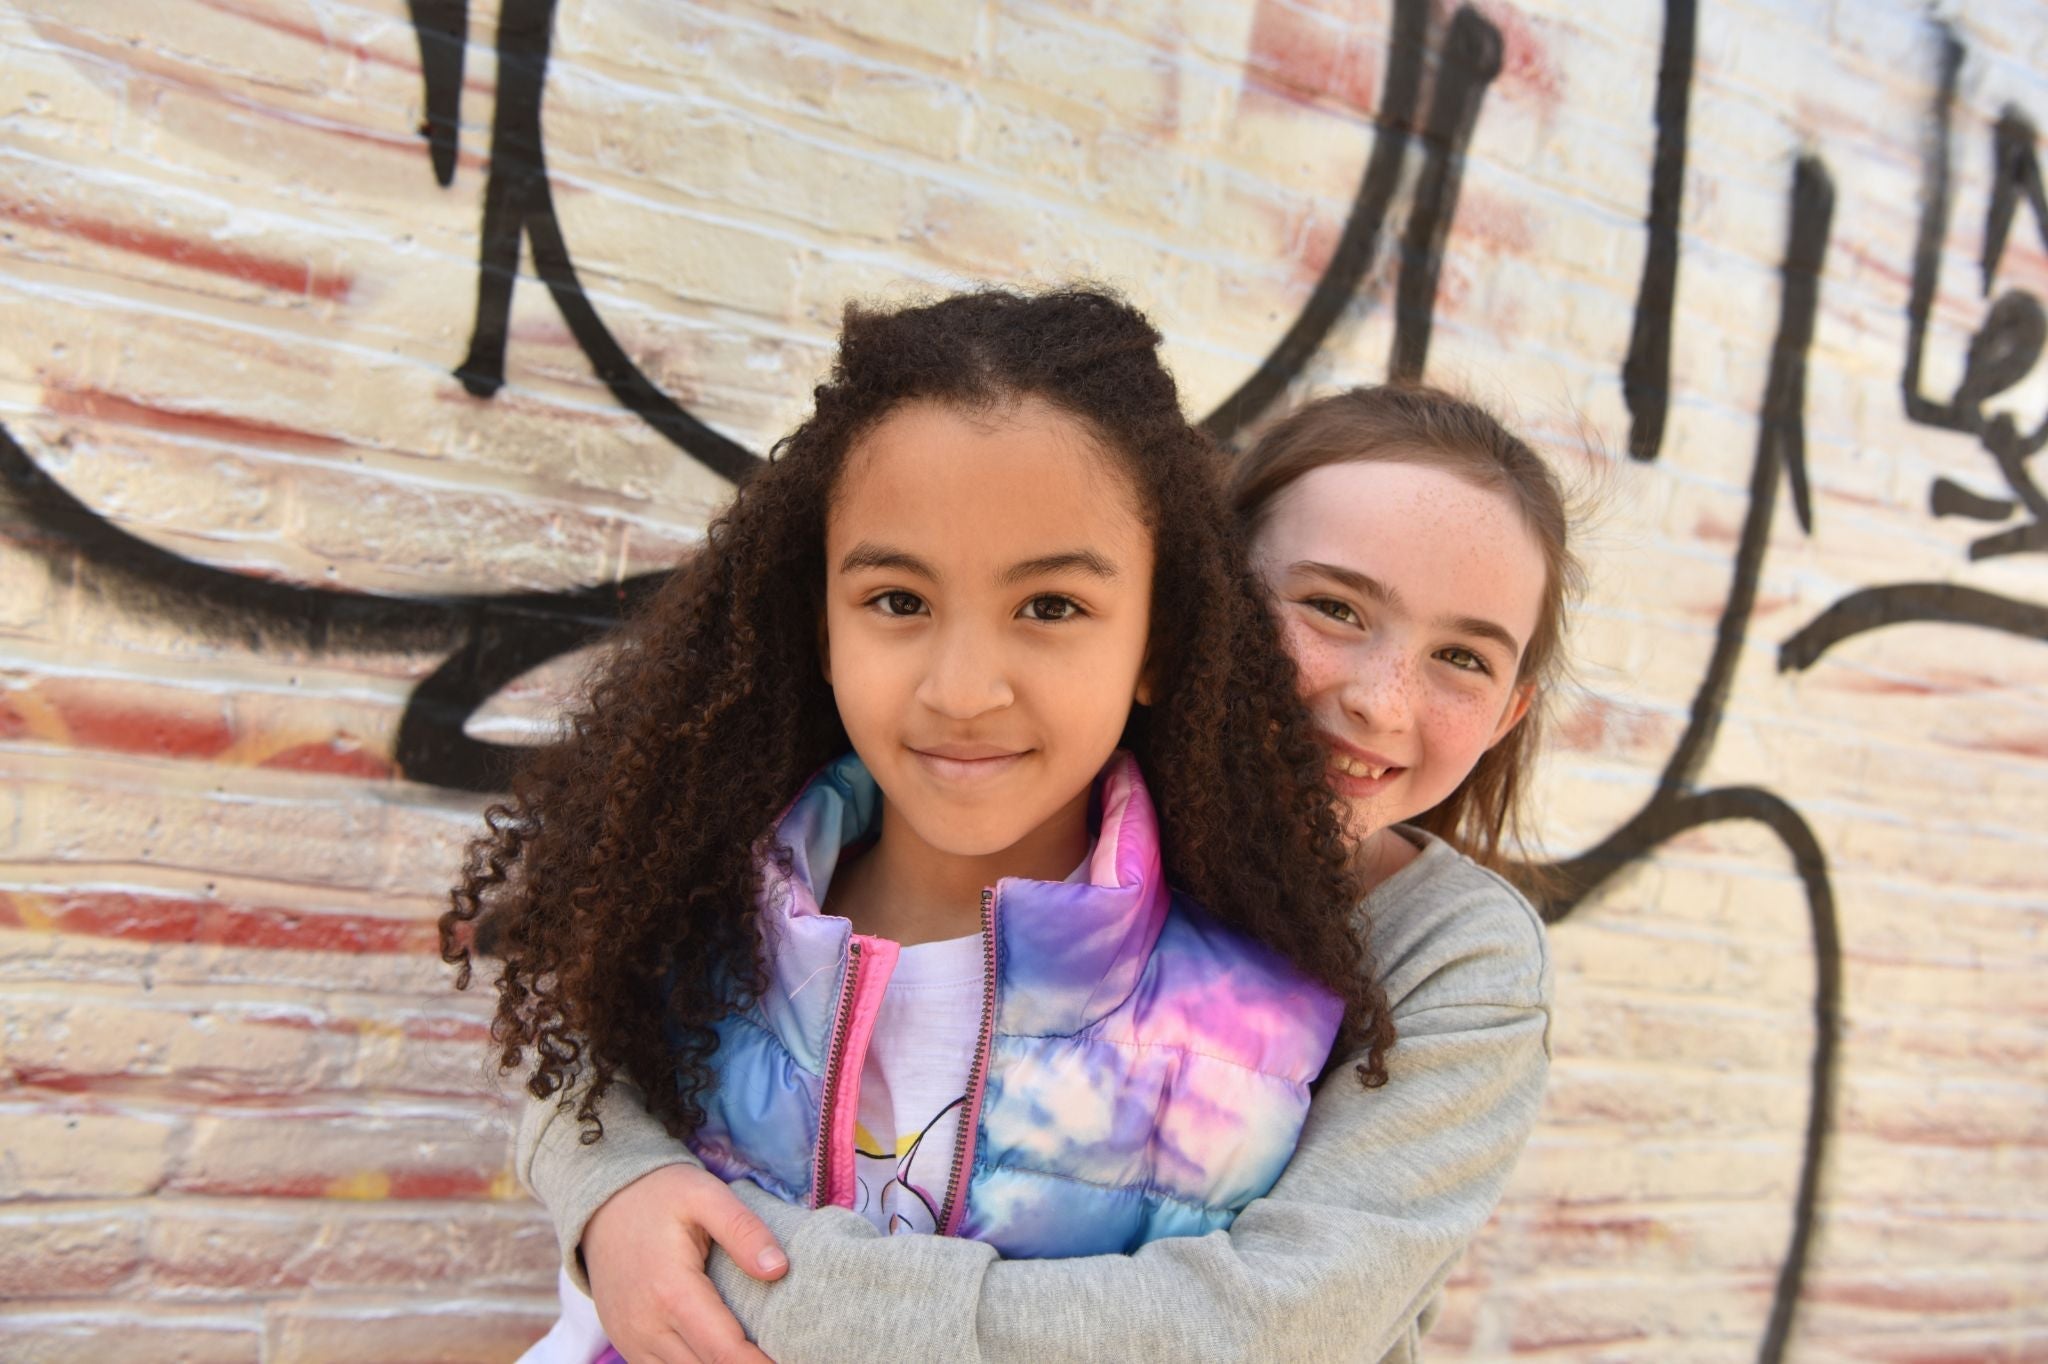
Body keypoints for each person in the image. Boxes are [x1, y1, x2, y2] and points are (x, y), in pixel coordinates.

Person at [514, 382, 1575, 1364]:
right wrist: (616, 1181)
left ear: (1511, 708)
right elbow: (597, 988)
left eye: (1463, 658)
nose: (1379, 701)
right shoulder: (977, 783)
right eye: (1333, 609)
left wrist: (725, 1273)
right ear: (1207, 605)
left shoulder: (1456, 951)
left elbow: (1274, 1319)